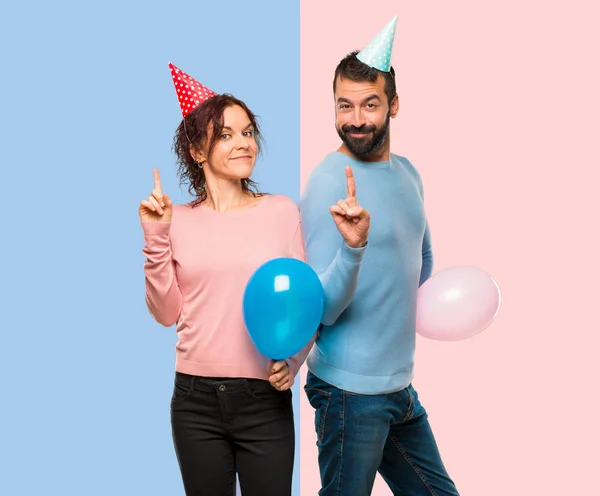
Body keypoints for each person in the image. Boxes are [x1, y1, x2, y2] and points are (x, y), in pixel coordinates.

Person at [299, 17, 460, 496]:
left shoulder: (409, 175)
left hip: (398, 388)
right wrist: (354, 248)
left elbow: (422, 264)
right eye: (344, 105)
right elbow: (320, 307)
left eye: (369, 104)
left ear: (393, 105)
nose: (356, 119)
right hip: (348, 393)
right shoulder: (329, 181)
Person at [139, 64, 313, 496]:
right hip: (194, 402)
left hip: (263, 399)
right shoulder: (175, 218)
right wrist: (156, 237)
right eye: (226, 134)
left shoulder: (281, 212)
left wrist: (292, 363)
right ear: (198, 151)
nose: (244, 143)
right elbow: (165, 315)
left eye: (248, 132)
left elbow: (306, 299)